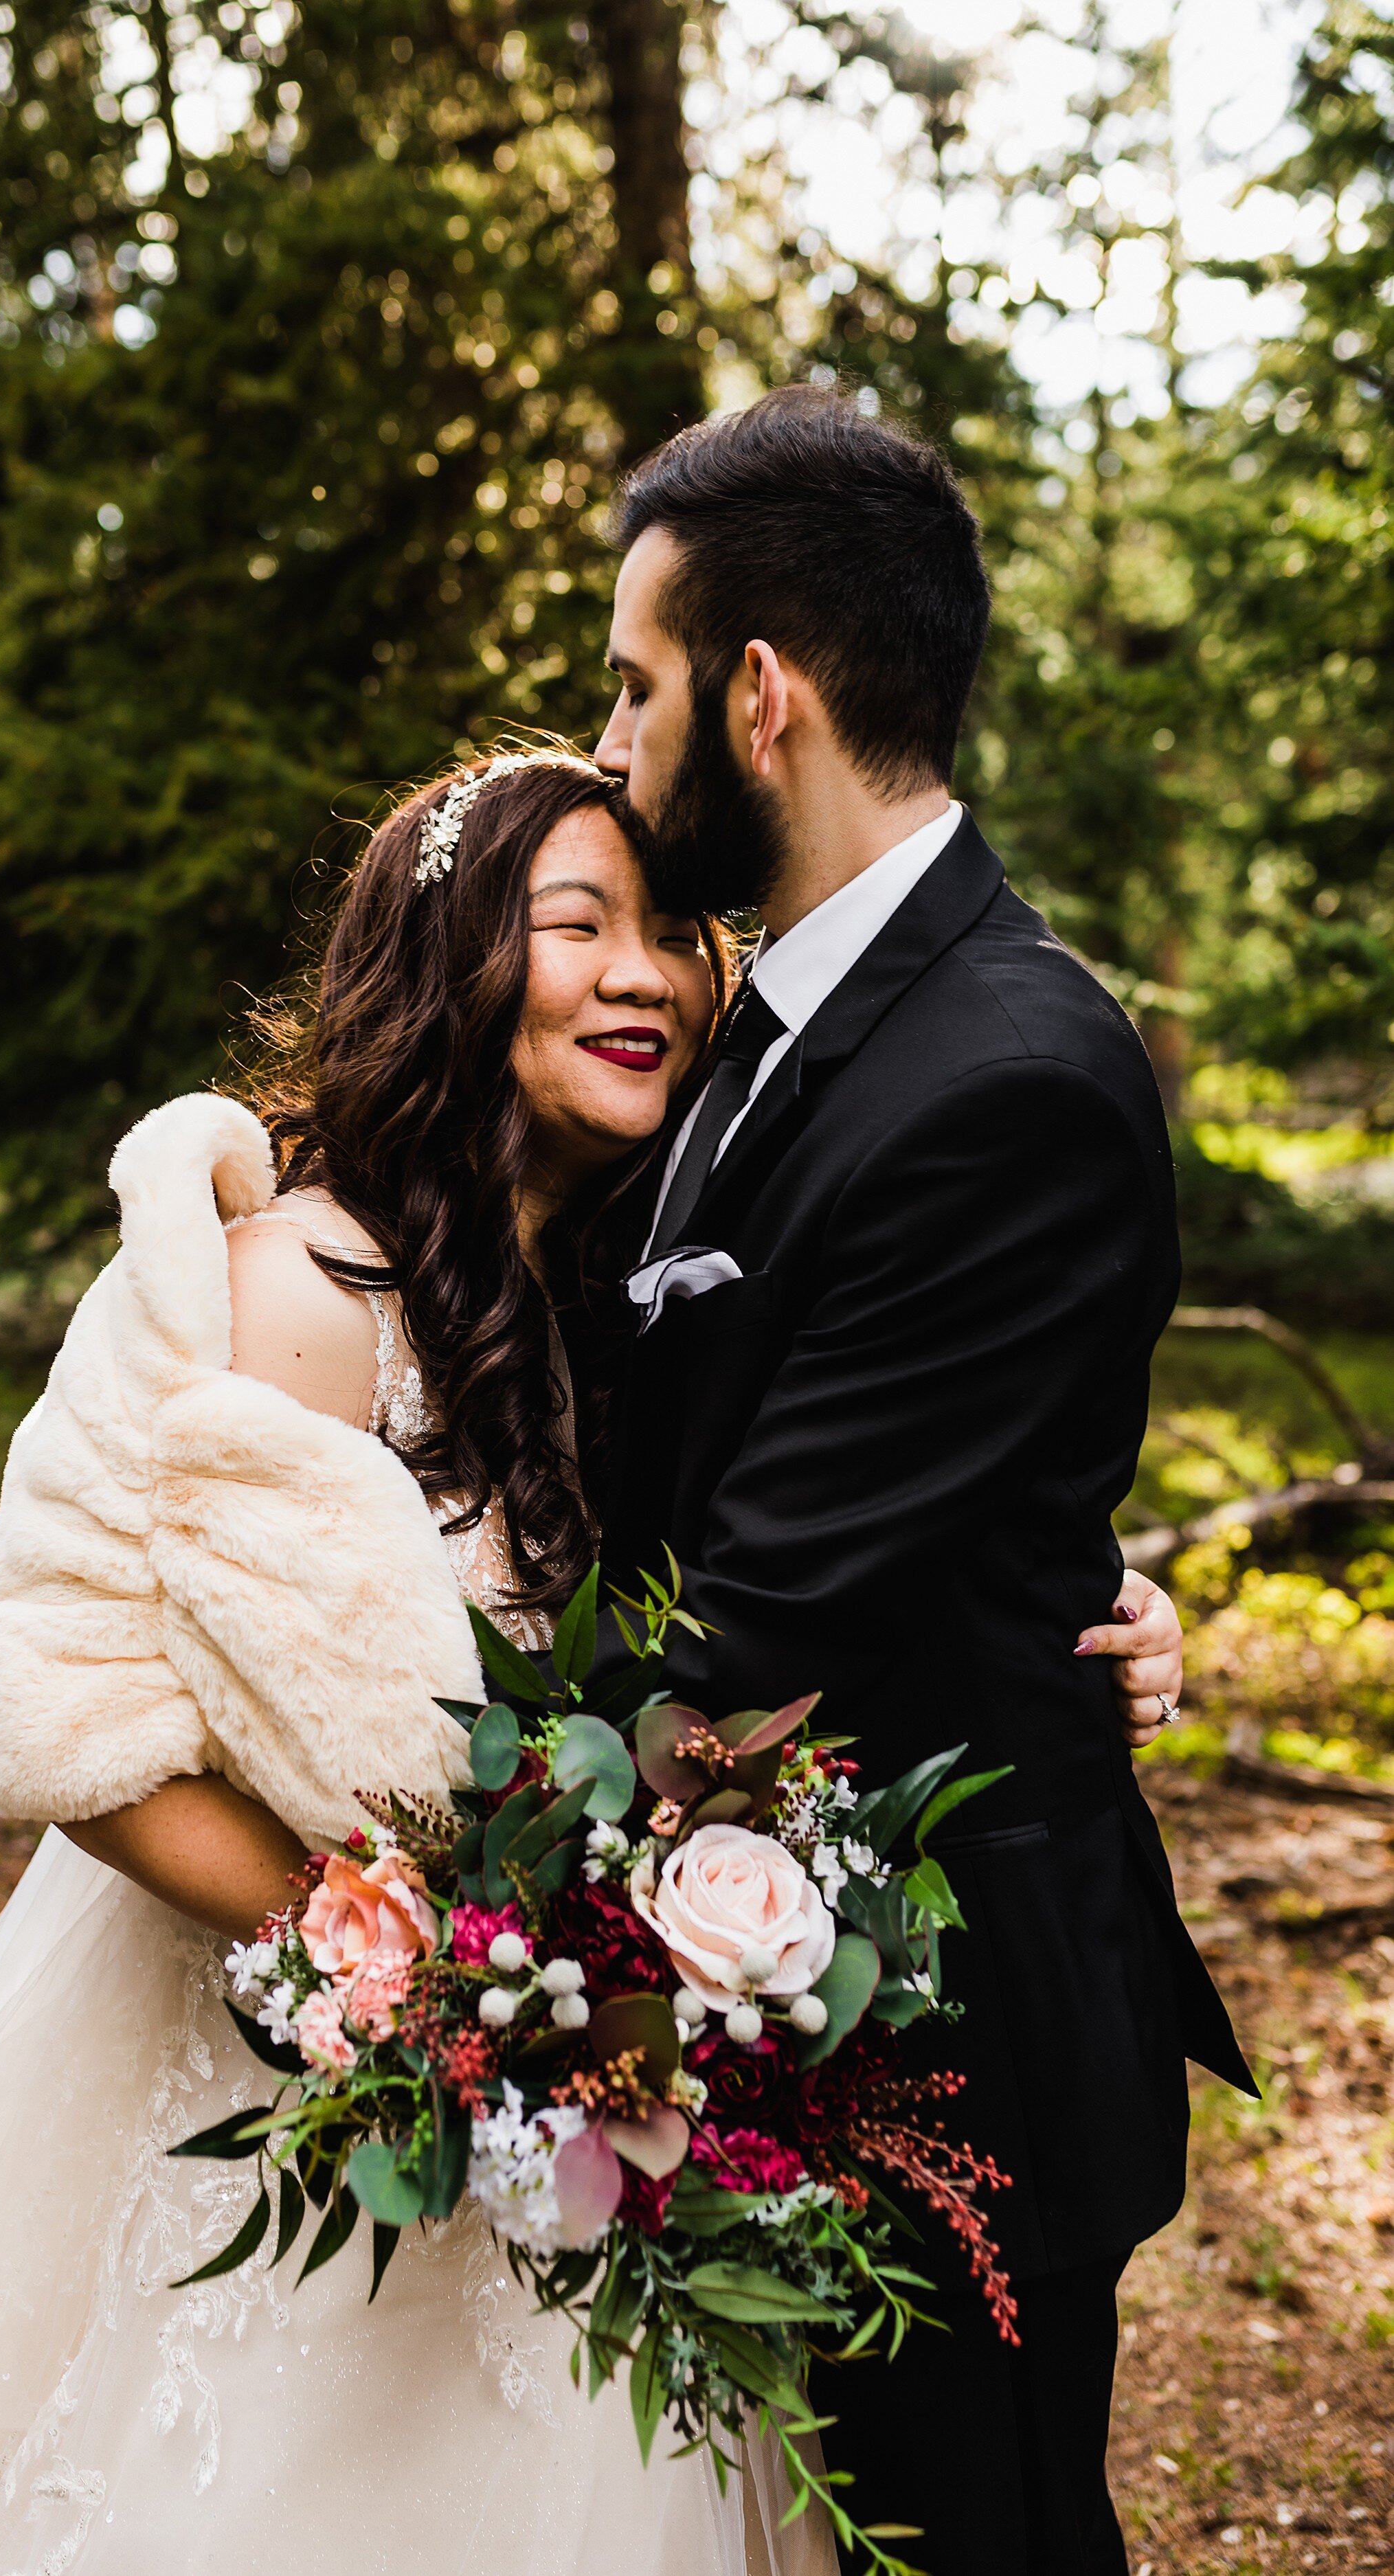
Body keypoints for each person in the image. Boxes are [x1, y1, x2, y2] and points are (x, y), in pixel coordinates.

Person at [0, 749, 1178, 2576]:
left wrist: (1083, 1613)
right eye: (578, 928)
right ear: (451, 966)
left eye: (675, 935)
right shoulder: (286, 1292)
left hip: (570, 2109)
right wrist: (407, 1993)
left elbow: (823, 1534)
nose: (649, 974)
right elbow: (56, 1711)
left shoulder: (617, 1298)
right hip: (301, 2090)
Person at [587, 385, 1254, 2575]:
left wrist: (411, 1874)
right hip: (781, 2000)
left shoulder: (1006, 1073)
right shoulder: (756, 1020)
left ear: (757, 697)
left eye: (636, 685)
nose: (613, 747)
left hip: (942, 2054)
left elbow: (764, 1619)